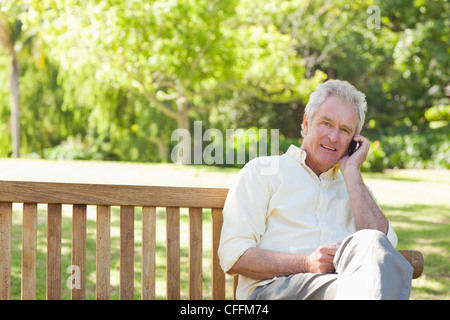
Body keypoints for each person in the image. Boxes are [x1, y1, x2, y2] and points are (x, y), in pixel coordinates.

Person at [218, 79, 413, 300]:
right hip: (274, 290)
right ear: (307, 122)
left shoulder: (355, 188)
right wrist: (306, 263)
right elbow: (233, 256)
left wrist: (351, 172)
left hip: (345, 288)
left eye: (345, 130)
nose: (333, 137)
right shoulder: (263, 171)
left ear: (354, 141)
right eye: (326, 123)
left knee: (371, 243)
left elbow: (383, 251)